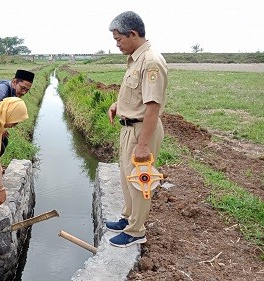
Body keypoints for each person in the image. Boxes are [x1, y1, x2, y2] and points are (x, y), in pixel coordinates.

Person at [105, 11, 167, 248]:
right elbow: (137, 96)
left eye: (119, 39)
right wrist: (117, 105)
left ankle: (136, 231)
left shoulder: (150, 62)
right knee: (126, 176)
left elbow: (152, 107)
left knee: (140, 181)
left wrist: (142, 144)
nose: (117, 44)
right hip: (128, 128)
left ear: (132, 34)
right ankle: (128, 218)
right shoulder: (135, 59)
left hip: (142, 131)